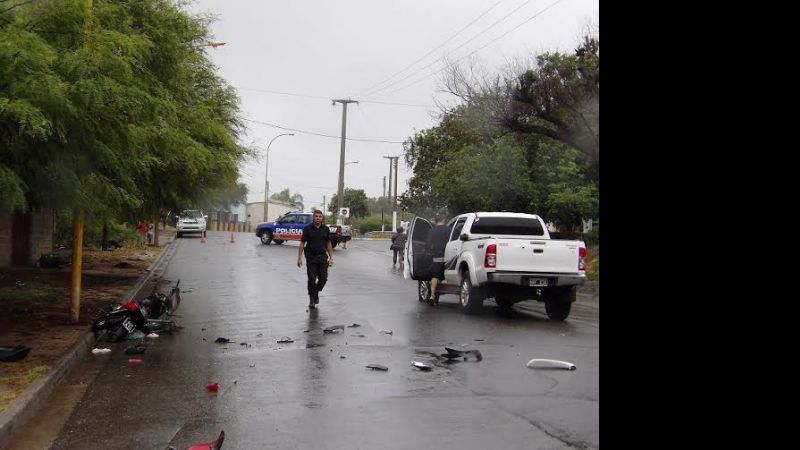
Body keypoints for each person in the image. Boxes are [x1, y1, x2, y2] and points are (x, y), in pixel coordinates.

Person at [297, 210, 334, 310]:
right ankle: (312, 300)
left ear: (322, 218)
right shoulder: (307, 229)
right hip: (311, 257)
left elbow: (328, 244)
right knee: (312, 279)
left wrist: (331, 258)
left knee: (323, 279)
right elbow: (302, 243)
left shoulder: (326, 229)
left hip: (322, 257)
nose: (318, 218)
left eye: (320, 216)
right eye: (316, 216)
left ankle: (315, 292)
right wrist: (299, 258)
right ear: (313, 217)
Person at [426, 216, 450, 305]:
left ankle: (432, 295)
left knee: (435, 276)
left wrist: (431, 250)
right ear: (443, 220)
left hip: (437, 256)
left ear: (435, 222)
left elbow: (428, 243)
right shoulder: (448, 230)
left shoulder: (432, 231)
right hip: (449, 255)